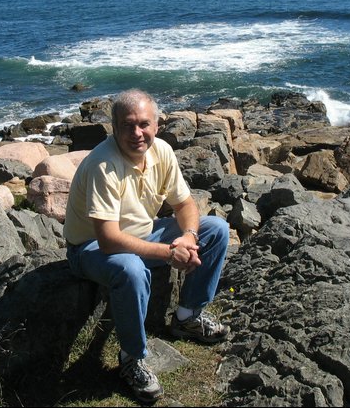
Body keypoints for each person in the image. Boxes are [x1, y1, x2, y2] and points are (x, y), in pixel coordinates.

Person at [64, 88, 230, 403]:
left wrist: (189, 237)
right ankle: (132, 358)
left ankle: (187, 317)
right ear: (114, 128)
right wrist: (169, 253)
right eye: (128, 125)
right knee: (131, 269)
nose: (137, 133)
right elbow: (108, 239)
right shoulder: (104, 165)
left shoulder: (162, 152)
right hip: (89, 248)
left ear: (157, 125)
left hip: (142, 232)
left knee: (216, 229)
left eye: (144, 124)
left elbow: (185, 205)